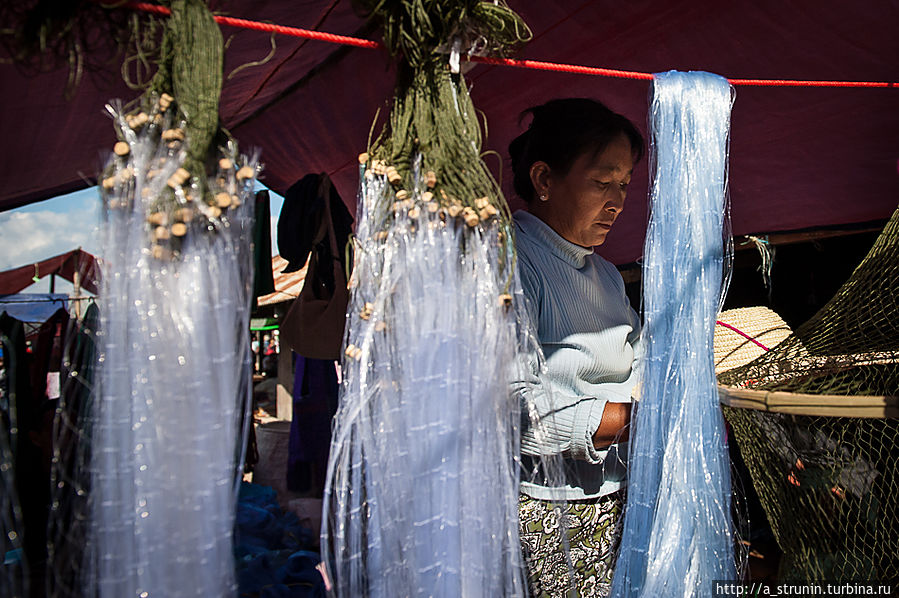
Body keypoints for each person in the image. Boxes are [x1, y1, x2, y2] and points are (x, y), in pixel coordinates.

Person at [510, 98, 645, 597]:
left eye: (624, 184)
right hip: (552, 514)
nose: (617, 202)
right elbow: (514, 409)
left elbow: (640, 357)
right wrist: (629, 419)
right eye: (602, 181)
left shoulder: (605, 274)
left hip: (620, 493)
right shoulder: (512, 261)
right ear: (544, 179)